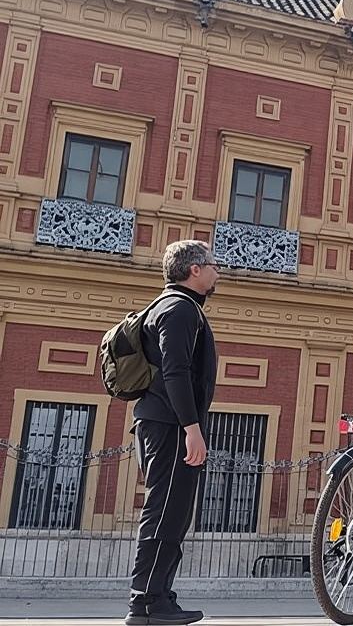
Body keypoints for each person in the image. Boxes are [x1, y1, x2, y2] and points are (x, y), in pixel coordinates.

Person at [127, 240, 220, 626]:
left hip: (164, 420)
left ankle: (160, 596)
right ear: (194, 269)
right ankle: (145, 603)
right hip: (170, 424)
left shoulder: (172, 306)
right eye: (213, 264)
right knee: (165, 512)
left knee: (173, 513)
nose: (218, 271)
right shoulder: (180, 309)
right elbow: (175, 371)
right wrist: (191, 428)